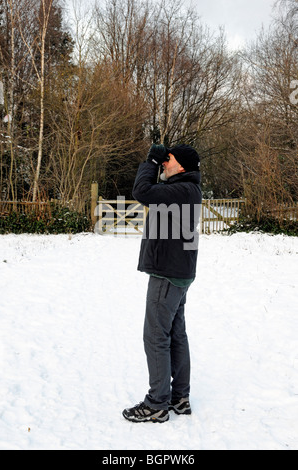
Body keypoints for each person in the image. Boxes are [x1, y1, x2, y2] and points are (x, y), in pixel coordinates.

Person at [122, 143, 202, 423]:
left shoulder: (181, 190)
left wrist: (150, 161)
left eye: (168, 160)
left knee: (156, 336)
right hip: (178, 271)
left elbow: (142, 191)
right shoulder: (184, 189)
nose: (164, 164)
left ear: (181, 166)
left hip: (168, 274)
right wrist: (157, 165)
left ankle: (157, 403)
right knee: (175, 334)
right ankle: (179, 397)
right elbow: (153, 196)